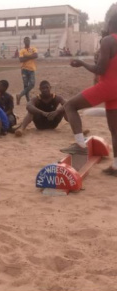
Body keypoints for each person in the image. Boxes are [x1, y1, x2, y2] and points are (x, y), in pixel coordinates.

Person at [61, 14, 117, 174]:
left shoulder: (108, 41)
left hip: (107, 86)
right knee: (115, 130)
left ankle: (79, 144)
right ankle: (116, 165)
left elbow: (100, 70)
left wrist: (82, 63)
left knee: (69, 105)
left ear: (111, 23)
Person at [16, 37, 38, 105]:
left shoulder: (33, 48)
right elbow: (21, 60)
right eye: (25, 40)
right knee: (26, 86)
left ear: (30, 41)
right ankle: (28, 101)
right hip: (24, 69)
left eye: (28, 40)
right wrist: (31, 56)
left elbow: (36, 55)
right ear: (24, 42)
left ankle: (20, 95)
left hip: (31, 69)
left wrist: (26, 57)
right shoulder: (22, 50)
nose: (27, 41)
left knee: (32, 84)